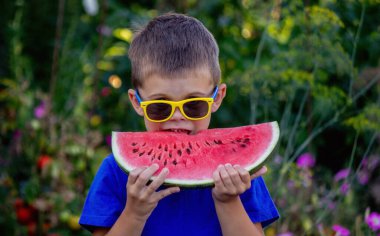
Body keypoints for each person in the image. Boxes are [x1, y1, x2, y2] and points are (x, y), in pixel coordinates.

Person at [79, 12, 279, 236]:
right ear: (137, 102)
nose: (176, 117)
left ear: (217, 98)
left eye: (193, 105)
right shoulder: (115, 172)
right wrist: (134, 213)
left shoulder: (238, 173)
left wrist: (228, 201)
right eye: (160, 107)